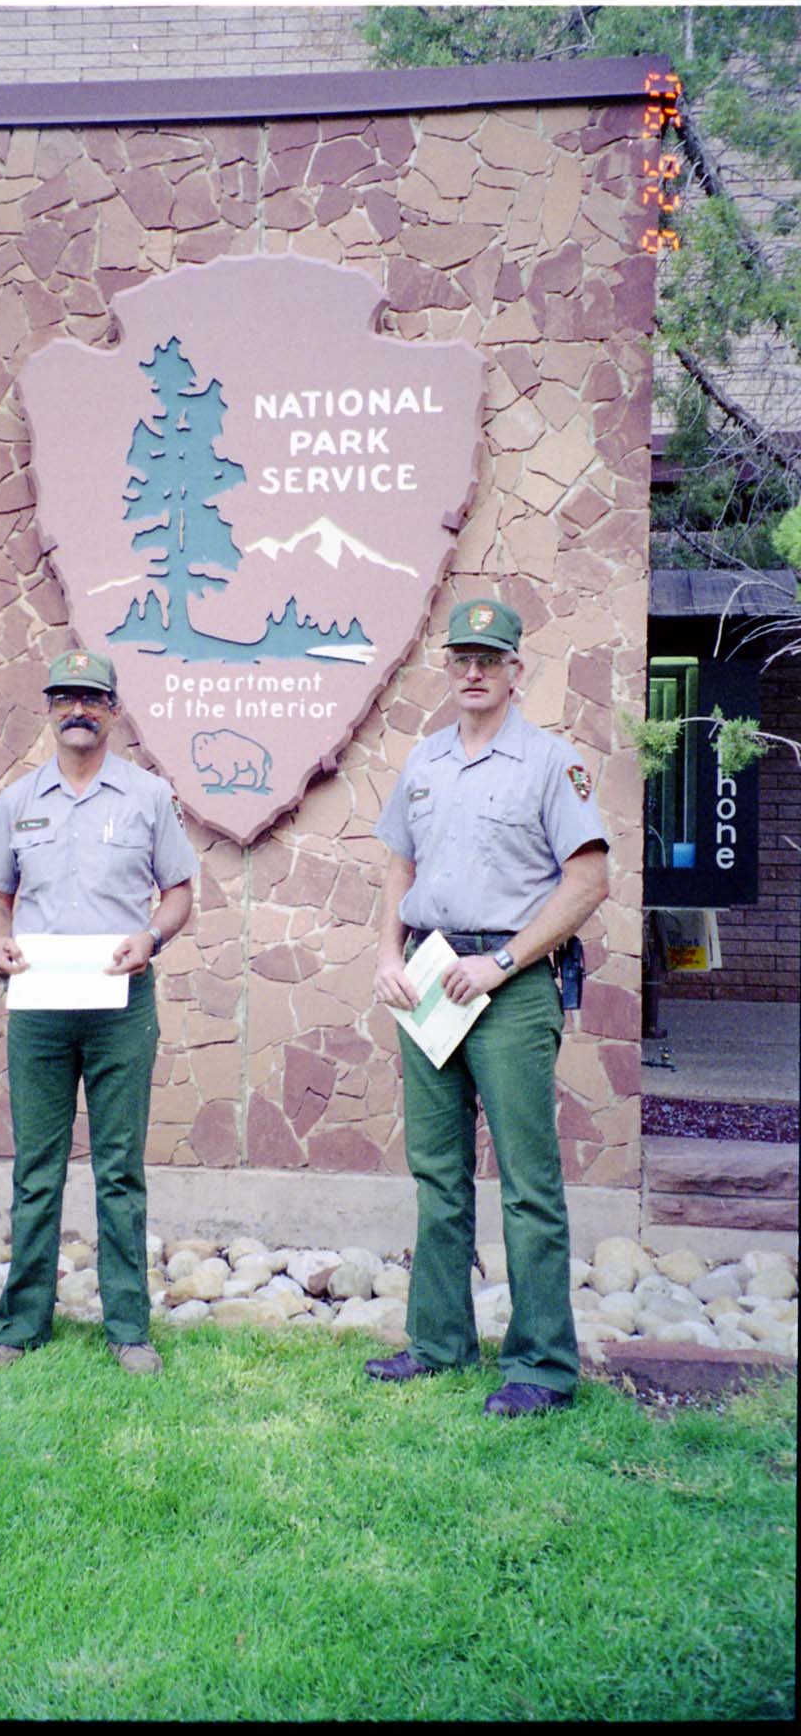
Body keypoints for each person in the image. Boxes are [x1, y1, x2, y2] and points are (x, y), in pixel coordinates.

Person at [366, 598, 609, 1416]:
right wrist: (386, 956)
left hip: (506, 985)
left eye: (489, 658)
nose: (473, 671)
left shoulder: (549, 763)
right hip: (431, 976)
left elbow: (587, 881)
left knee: (527, 1182)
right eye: (461, 658)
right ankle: (439, 1344)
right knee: (437, 1172)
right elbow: (400, 866)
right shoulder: (425, 761)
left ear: (515, 670)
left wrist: (502, 963)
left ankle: (540, 1366)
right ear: (450, 668)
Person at [0, 648, 197, 1376]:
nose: (78, 709)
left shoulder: (147, 797)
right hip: (39, 1005)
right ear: (49, 709)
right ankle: (20, 1325)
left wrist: (151, 937)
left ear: (113, 710)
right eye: (65, 697)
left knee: (120, 1167)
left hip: (119, 1003)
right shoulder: (17, 800)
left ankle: (128, 1328)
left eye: (92, 698)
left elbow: (182, 892)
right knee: (37, 1167)